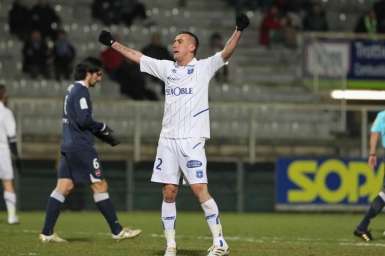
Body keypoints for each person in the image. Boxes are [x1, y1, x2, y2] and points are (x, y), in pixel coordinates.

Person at [98, 13, 250, 256]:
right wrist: (113, 44)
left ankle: (220, 243)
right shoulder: (167, 68)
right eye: (174, 41)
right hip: (167, 140)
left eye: (179, 41)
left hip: (191, 140)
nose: (174, 45)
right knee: (169, 191)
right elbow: (138, 57)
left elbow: (226, 52)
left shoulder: (203, 67)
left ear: (192, 46)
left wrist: (238, 30)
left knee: (200, 189)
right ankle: (170, 246)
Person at [39, 57, 141, 243]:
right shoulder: (81, 91)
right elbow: (84, 120)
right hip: (81, 147)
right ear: (89, 73)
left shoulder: (71, 89)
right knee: (100, 185)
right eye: (98, 74)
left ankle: (46, 233)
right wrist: (102, 128)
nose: (100, 78)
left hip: (69, 145)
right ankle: (117, 231)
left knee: (64, 186)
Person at [354, 110, 385, 241]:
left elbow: (374, 133)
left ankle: (362, 227)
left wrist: (372, 154)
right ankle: (361, 227)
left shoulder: (382, 115)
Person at [0, 85, 20, 225]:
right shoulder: (6, 112)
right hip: (2, 150)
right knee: (7, 182)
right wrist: (17, 156)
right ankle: (12, 217)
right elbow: (12, 137)